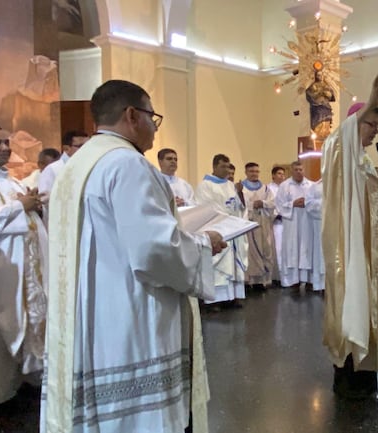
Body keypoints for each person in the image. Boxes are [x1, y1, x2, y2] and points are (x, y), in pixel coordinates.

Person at [42, 79, 226, 433]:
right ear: (132, 115)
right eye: (152, 118)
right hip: (130, 314)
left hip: (90, 314)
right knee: (138, 421)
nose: (155, 129)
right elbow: (154, 250)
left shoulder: (76, 166)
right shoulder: (127, 165)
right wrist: (203, 242)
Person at [321, 71, 378, 398]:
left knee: (371, 307)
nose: (375, 131)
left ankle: (368, 372)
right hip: (350, 252)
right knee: (354, 306)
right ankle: (349, 376)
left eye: (377, 127)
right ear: (355, 123)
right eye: (371, 124)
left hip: (370, 253)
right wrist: (372, 100)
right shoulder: (340, 150)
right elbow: (340, 138)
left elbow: (371, 203)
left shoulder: (362, 161)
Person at [0, 125, 47, 412]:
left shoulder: (14, 182)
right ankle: (1, 398)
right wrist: (19, 208)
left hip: (27, 269)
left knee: (33, 324)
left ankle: (28, 384)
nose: (5, 147)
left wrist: (34, 206)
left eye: (7, 142)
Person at [196, 154, 248, 309]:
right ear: (214, 167)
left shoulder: (230, 185)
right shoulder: (205, 185)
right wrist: (226, 218)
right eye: (223, 166)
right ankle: (214, 300)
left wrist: (239, 194)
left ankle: (232, 296)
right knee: (218, 265)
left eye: (228, 166)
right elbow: (205, 208)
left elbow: (238, 207)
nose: (227, 169)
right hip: (218, 229)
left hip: (232, 229)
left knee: (231, 264)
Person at [275, 161, 314, 288]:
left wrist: (307, 203)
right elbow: (279, 205)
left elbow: (318, 203)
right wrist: (293, 204)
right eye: (296, 170)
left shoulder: (311, 185)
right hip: (291, 224)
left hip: (307, 223)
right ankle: (293, 281)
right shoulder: (284, 186)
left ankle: (309, 280)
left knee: (307, 250)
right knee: (292, 250)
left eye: (301, 169)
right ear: (291, 171)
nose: (299, 172)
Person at [241, 162, 278, 290]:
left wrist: (263, 203)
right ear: (246, 172)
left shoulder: (266, 188)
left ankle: (263, 280)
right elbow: (239, 205)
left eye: (257, 171)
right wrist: (251, 206)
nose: (254, 174)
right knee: (250, 252)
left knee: (265, 249)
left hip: (263, 223)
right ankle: (250, 281)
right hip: (248, 223)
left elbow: (273, 203)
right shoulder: (241, 188)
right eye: (251, 171)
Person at [37, 130, 88, 197]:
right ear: (66, 148)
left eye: (88, 145)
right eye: (81, 146)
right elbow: (44, 198)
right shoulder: (52, 170)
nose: (87, 149)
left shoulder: (89, 166)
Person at [305, 179, 325, 292]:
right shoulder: (315, 186)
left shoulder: (344, 182)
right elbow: (308, 204)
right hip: (320, 223)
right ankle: (321, 284)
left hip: (340, 223)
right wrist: (326, 202)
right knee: (321, 253)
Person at [268, 166, 286, 284]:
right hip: (276, 222)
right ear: (273, 175)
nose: (282, 176)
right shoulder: (268, 189)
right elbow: (270, 204)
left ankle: (285, 275)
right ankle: (277, 276)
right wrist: (277, 214)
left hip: (287, 222)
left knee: (285, 249)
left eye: (283, 174)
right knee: (277, 249)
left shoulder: (286, 188)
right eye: (279, 174)